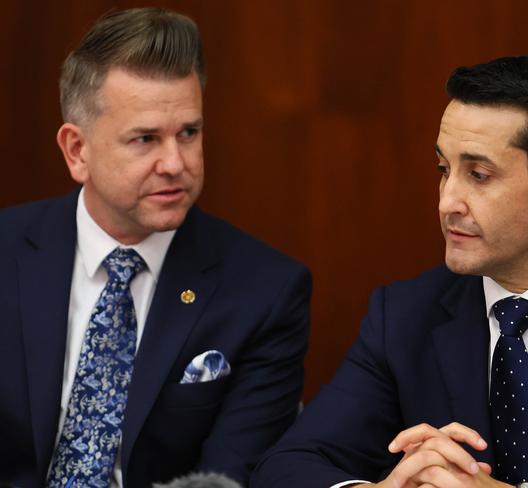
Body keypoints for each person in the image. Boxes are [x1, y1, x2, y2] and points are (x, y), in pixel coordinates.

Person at [252, 54, 528, 488]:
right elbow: (285, 466)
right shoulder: (403, 317)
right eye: (444, 169)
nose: (446, 202)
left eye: (478, 175)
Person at [0, 8, 311, 488]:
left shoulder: (266, 292)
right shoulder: (7, 253)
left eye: (189, 132)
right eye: (145, 139)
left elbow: (229, 476)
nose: (175, 163)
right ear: (76, 151)